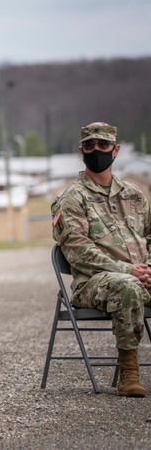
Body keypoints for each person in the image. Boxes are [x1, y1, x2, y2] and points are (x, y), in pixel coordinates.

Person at [51, 122, 151, 397]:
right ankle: (129, 372)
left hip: (141, 276)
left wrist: (148, 268)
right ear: (81, 151)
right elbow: (77, 251)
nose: (96, 150)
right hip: (94, 284)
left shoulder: (133, 195)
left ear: (115, 150)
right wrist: (129, 270)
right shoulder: (72, 198)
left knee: (131, 283)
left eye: (103, 145)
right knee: (127, 286)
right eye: (89, 145)